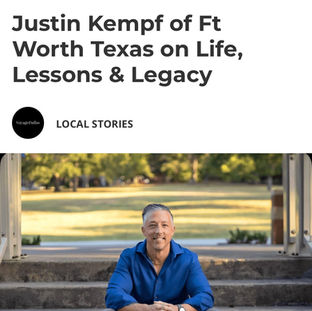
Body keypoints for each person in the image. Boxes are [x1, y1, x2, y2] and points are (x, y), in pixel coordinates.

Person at [105, 203, 214, 311]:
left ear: (172, 230)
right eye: (152, 225)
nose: (159, 231)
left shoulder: (188, 259)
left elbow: (205, 296)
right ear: (144, 230)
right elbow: (113, 294)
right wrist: (146, 309)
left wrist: (178, 309)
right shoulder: (129, 257)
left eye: (164, 225)